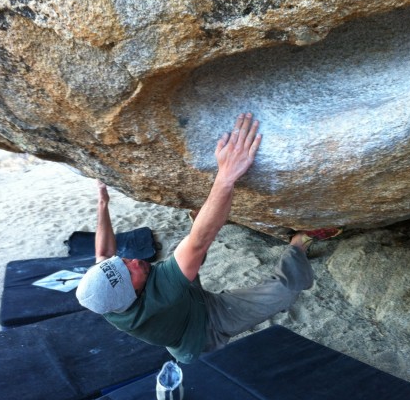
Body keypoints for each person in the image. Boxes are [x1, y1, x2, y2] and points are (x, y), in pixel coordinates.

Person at [76, 113, 341, 363]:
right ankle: (299, 244)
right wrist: (226, 175)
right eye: (129, 271)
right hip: (206, 327)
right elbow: (200, 241)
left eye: (122, 261)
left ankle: (201, 221)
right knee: (283, 291)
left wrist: (102, 204)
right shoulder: (159, 296)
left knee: (188, 255)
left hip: (184, 300)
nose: (133, 260)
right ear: (133, 295)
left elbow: (103, 253)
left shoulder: (109, 294)